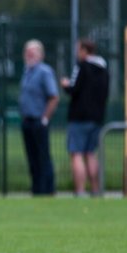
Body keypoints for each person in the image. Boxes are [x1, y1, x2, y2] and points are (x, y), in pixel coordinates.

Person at [61, 38, 109, 197]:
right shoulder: (103, 69)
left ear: (84, 50)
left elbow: (74, 89)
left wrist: (66, 85)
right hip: (97, 117)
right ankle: (95, 190)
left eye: (78, 49)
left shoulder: (81, 67)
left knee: (77, 154)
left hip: (79, 117)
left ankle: (80, 191)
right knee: (90, 153)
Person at [19, 39, 58, 196]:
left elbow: (54, 96)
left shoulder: (44, 72)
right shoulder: (27, 71)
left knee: (43, 157)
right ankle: (36, 188)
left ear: (40, 54)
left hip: (38, 121)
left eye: (32, 52)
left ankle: (46, 189)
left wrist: (45, 118)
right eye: (27, 52)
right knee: (32, 157)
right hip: (27, 120)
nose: (29, 55)